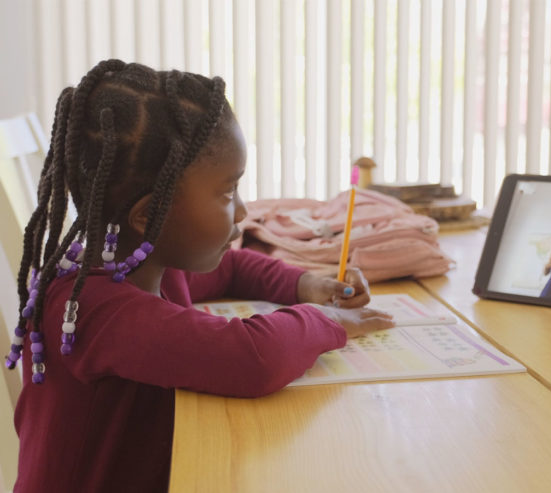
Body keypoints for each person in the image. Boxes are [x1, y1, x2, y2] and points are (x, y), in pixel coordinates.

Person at [3, 59, 395, 492]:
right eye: (228, 191)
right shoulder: (94, 309)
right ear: (150, 214)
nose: (244, 212)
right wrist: (330, 322)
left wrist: (303, 284)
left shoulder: (142, 264)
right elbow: (252, 359)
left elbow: (231, 268)